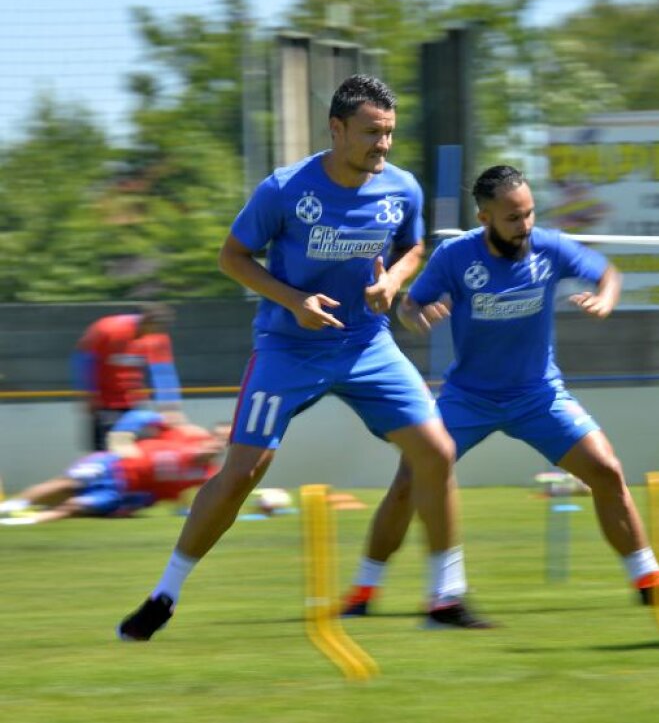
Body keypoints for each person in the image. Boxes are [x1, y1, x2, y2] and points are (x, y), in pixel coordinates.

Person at [117, 74, 484, 641]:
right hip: (287, 348)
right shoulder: (284, 189)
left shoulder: (402, 188)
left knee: (436, 451)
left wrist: (396, 285)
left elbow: (414, 246)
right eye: (370, 133)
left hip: (367, 345)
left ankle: (446, 597)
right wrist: (295, 301)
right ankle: (165, 593)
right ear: (336, 130)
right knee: (243, 472)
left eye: (389, 134)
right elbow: (233, 257)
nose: (382, 146)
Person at [340, 165, 659, 617]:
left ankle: (648, 580)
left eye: (530, 213)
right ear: (484, 218)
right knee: (407, 484)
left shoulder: (550, 246)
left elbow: (608, 273)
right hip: (468, 397)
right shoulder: (456, 256)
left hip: (539, 395)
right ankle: (362, 592)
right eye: (514, 218)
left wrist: (605, 299)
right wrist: (414, 317)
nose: (525, 225)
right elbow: (411, 304)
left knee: (606, 470)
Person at [0, 412, 226, 526]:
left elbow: (185, 495)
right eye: (217, 438)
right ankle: (11, 507)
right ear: (210, 435)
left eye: (224, 443)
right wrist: (122, 438)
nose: (217, 445)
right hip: (112, 464)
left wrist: (146, 503)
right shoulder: (187, 433)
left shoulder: (206, 473)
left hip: (123, 491)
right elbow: (139, 416)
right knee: (67, 484)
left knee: (74, 506)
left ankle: (20, 523)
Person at [73, 303, 182, 451]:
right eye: (153, 328)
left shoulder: (158, 337)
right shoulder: (107, 328)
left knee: (136, 451)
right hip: (105, 404)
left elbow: (162, 371)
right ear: (145, 321)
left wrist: (170, 407)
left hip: (133, 403)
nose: (154, 334)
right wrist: (89, 395)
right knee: (106, 452)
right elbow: (85, 361)